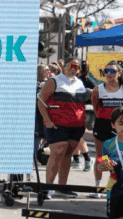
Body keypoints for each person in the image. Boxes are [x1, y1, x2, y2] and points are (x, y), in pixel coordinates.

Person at [37, 57, 89, 196]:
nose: (74, 69)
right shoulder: (54, 81)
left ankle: (62, 187)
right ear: (65, 66)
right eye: (71, 65)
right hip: (57, 124)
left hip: (76, 126)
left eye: (77, 67)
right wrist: (47, 120)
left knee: (67, 156)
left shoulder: (80, 83)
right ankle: (47, 188)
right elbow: (41, 101)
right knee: (57, 154)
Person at [90, 61, 123, 192]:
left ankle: (117, 185)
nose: (108, 74)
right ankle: (98, 186)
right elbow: (96, 108)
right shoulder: (98, 89)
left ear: (119, 73)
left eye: (112, 71)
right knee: (101, 156)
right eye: (106, 71)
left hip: (119, 126)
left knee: (118, 156)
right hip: (102, 124)